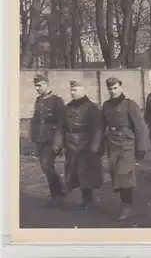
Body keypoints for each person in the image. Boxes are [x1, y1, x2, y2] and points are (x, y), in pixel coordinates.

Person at [101, 77, 148, 221]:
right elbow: (101, 127)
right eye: (110, 89)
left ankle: (127, 206)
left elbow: (140, 127)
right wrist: (98, 146)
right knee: (117, 174)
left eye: (115, 88)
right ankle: (125, 203)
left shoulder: (129, 105)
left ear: (121, 88)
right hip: (112, 144)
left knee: (124, 174)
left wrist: (141, 147)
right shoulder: (106, 105)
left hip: (127, 143)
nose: (113, 91)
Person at [61, 80, 103, 210]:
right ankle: (82, 200)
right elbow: (62, 126)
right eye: (71, 90)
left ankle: (88, 201)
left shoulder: (92, 107)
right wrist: (59, 142)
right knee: (73, 172)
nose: (72, 92)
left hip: (86, 144)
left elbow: (98, 128)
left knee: (85, 173)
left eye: (75, 90)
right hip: (71, 144)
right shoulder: (68, 107)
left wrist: (95, 146)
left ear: (83, 90)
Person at [30, 74, 66, 207]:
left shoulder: (56, 100)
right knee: (45, 167)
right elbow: (35, 120)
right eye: (36, 86)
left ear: (46, 84)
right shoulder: (39, 100)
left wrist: (58, 140)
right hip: (41, 138)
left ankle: (59, 194)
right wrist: (33, 137)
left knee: (47, 165)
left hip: (52, 139)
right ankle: (56, 194)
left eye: (39, 85)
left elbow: (62, 122)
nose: (37, 88)